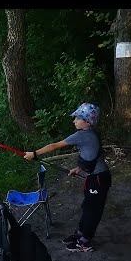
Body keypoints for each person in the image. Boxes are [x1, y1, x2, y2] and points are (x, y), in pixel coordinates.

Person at [24, 103, 112, 252]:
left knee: (92, 211)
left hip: (99, 179)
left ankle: (84, 242)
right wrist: (78, 169)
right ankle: (80, 234)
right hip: (95, 177)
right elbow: (92, 157)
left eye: (77, 118)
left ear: (87, 121)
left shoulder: (82, 135)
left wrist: (34, 154)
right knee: (87, 207)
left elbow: (55, 145)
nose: (74, 121)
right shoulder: (92, 133)